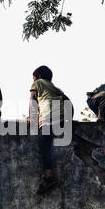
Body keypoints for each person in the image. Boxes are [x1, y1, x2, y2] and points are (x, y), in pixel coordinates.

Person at [29, 65, 69, 195]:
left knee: (43, 144)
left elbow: (32, 100)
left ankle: (48, 176)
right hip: (63, 117)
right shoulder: (55, 87)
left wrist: (32, 117)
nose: (33, 81)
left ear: (38, 77)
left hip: (49, 118)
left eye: (33, 78)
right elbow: (67, 101)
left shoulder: (38, 83)